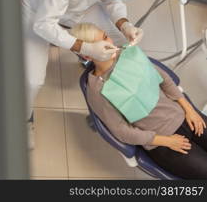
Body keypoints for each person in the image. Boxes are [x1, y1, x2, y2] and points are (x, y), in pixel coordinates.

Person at [21, 0, 160, 148]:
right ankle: (24, 119)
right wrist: (85, 48)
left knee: (118, 41)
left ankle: (107, 99)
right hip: (34, 11)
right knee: (33, 80)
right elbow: (44, 24)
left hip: (74, 6)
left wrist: (125, 24)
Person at [69, 22, 207, 179]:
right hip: (162, 142)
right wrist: (166, 141)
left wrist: (190, 110)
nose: (108, 44)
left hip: (183, 116)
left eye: (106, 37)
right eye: (99, 44)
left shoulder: (129, 55)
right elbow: (122, 132)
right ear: (87, 55)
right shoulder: (97, 90)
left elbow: (165, 80)